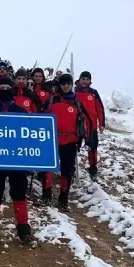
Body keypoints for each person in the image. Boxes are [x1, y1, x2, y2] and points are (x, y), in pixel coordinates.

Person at [0, 76, 38, 249]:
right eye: (2, 87)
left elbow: (31, 135)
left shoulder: (21, 111)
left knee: (19, 193)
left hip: (17, 160)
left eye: (8, 87)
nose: (5, 89)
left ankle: (24, 231)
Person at [44, 73, 92, 211]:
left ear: (72, 85)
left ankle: (63, 198)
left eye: (68, 84)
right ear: (60, 85)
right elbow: (43, 116)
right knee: (49, 168)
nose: (66, 86)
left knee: (67, 170)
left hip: (70, 141)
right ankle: (46, 194)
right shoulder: (52, 99)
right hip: (52, 139)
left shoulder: (77, 102)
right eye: (63, 84)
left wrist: (85, 138)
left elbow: (85, 121)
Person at [75, 71, 105, 178]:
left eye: (87, 79)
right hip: (77, 124)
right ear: (79, 80)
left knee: (92, 147)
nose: (85, 81)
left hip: (91, 125)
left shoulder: (93, 92)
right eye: (83, 79)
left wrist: (102, 123)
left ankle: (93, 167)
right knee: (74, 146)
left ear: (90, 81)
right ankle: (72, 166)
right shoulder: (74, 91)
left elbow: (99, 108)